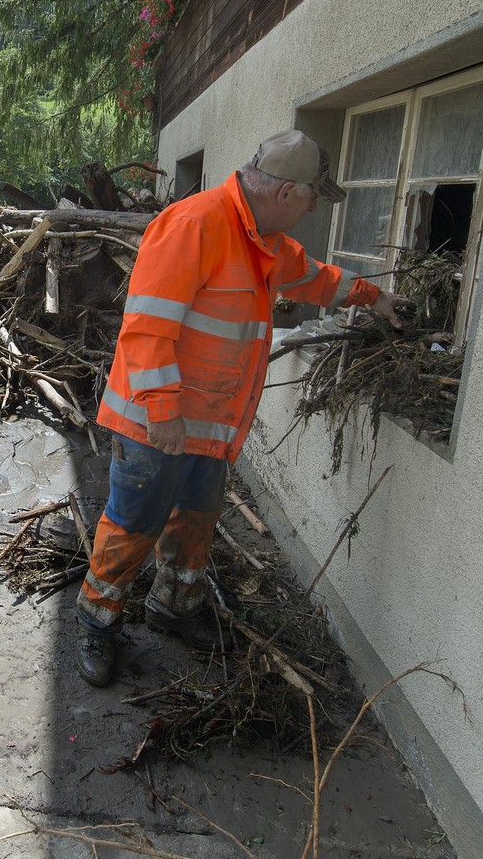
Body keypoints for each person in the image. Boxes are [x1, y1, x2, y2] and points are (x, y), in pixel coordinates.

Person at [75, 129, 409, 687]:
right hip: (155, 422)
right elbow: (146, 328)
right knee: (134, 522)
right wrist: (162, 412)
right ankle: (99, 622)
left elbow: (312, 278)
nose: (310, 209)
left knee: (197, 518)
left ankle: (175, 605)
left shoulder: (265, 242)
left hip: (209, 425)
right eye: (310, 199)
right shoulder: (194, 224)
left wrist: (376, 298)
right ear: (285, 193)